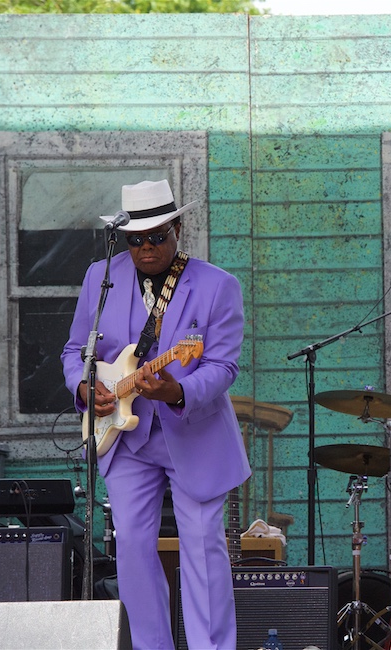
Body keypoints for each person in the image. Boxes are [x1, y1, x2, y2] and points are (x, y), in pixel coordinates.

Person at [62, 179, 250, 649]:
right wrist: (86, 388)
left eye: (157, 236)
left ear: (178, 228)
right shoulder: (99, 278)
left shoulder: (217, 285)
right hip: (125, 437)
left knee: (203, 548)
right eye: (136, 239)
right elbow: (74, 351)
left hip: (193, 434)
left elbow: (223, 366)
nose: (146, 248)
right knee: (131, 550)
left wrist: (177, 390)